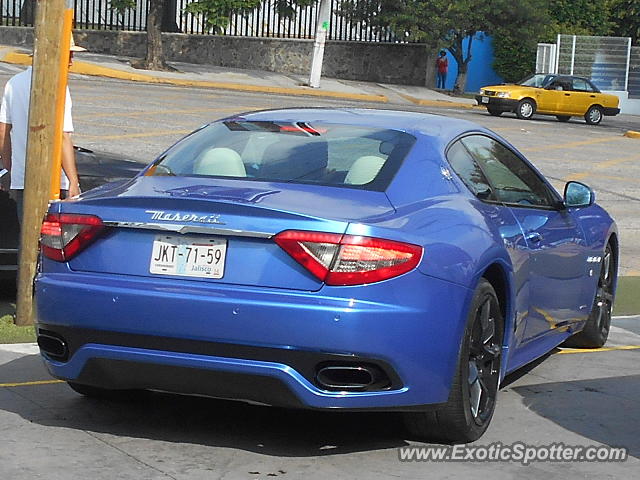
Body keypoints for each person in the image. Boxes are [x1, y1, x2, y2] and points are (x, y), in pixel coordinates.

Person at [0, 37, 86, 220]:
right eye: (68, 55)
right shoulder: (58, 87)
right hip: (52, 180)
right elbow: (63, 137)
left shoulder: (13, 84)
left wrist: (11, 170)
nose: (71, 62)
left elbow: (3, 133)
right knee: (49, 242)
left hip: (22, 178)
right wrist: (73, 181)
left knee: (27, 238)